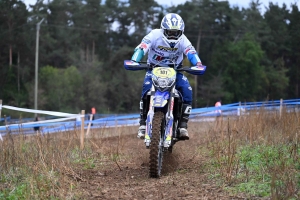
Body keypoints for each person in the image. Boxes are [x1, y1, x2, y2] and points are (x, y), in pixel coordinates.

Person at [131, 13, 203, 140]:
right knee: (146, 90)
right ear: (163, 29)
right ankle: (142, 124)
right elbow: (142, 48)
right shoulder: (154, 35)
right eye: (170, 32)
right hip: (153, 69)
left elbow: (191, 52)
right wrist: (134, 60)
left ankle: (182, 125)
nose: (173, 35)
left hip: (175, 71)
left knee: (187, 90)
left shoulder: (183, 40)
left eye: (176, 33)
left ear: (181, 32)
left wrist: (198, 64)